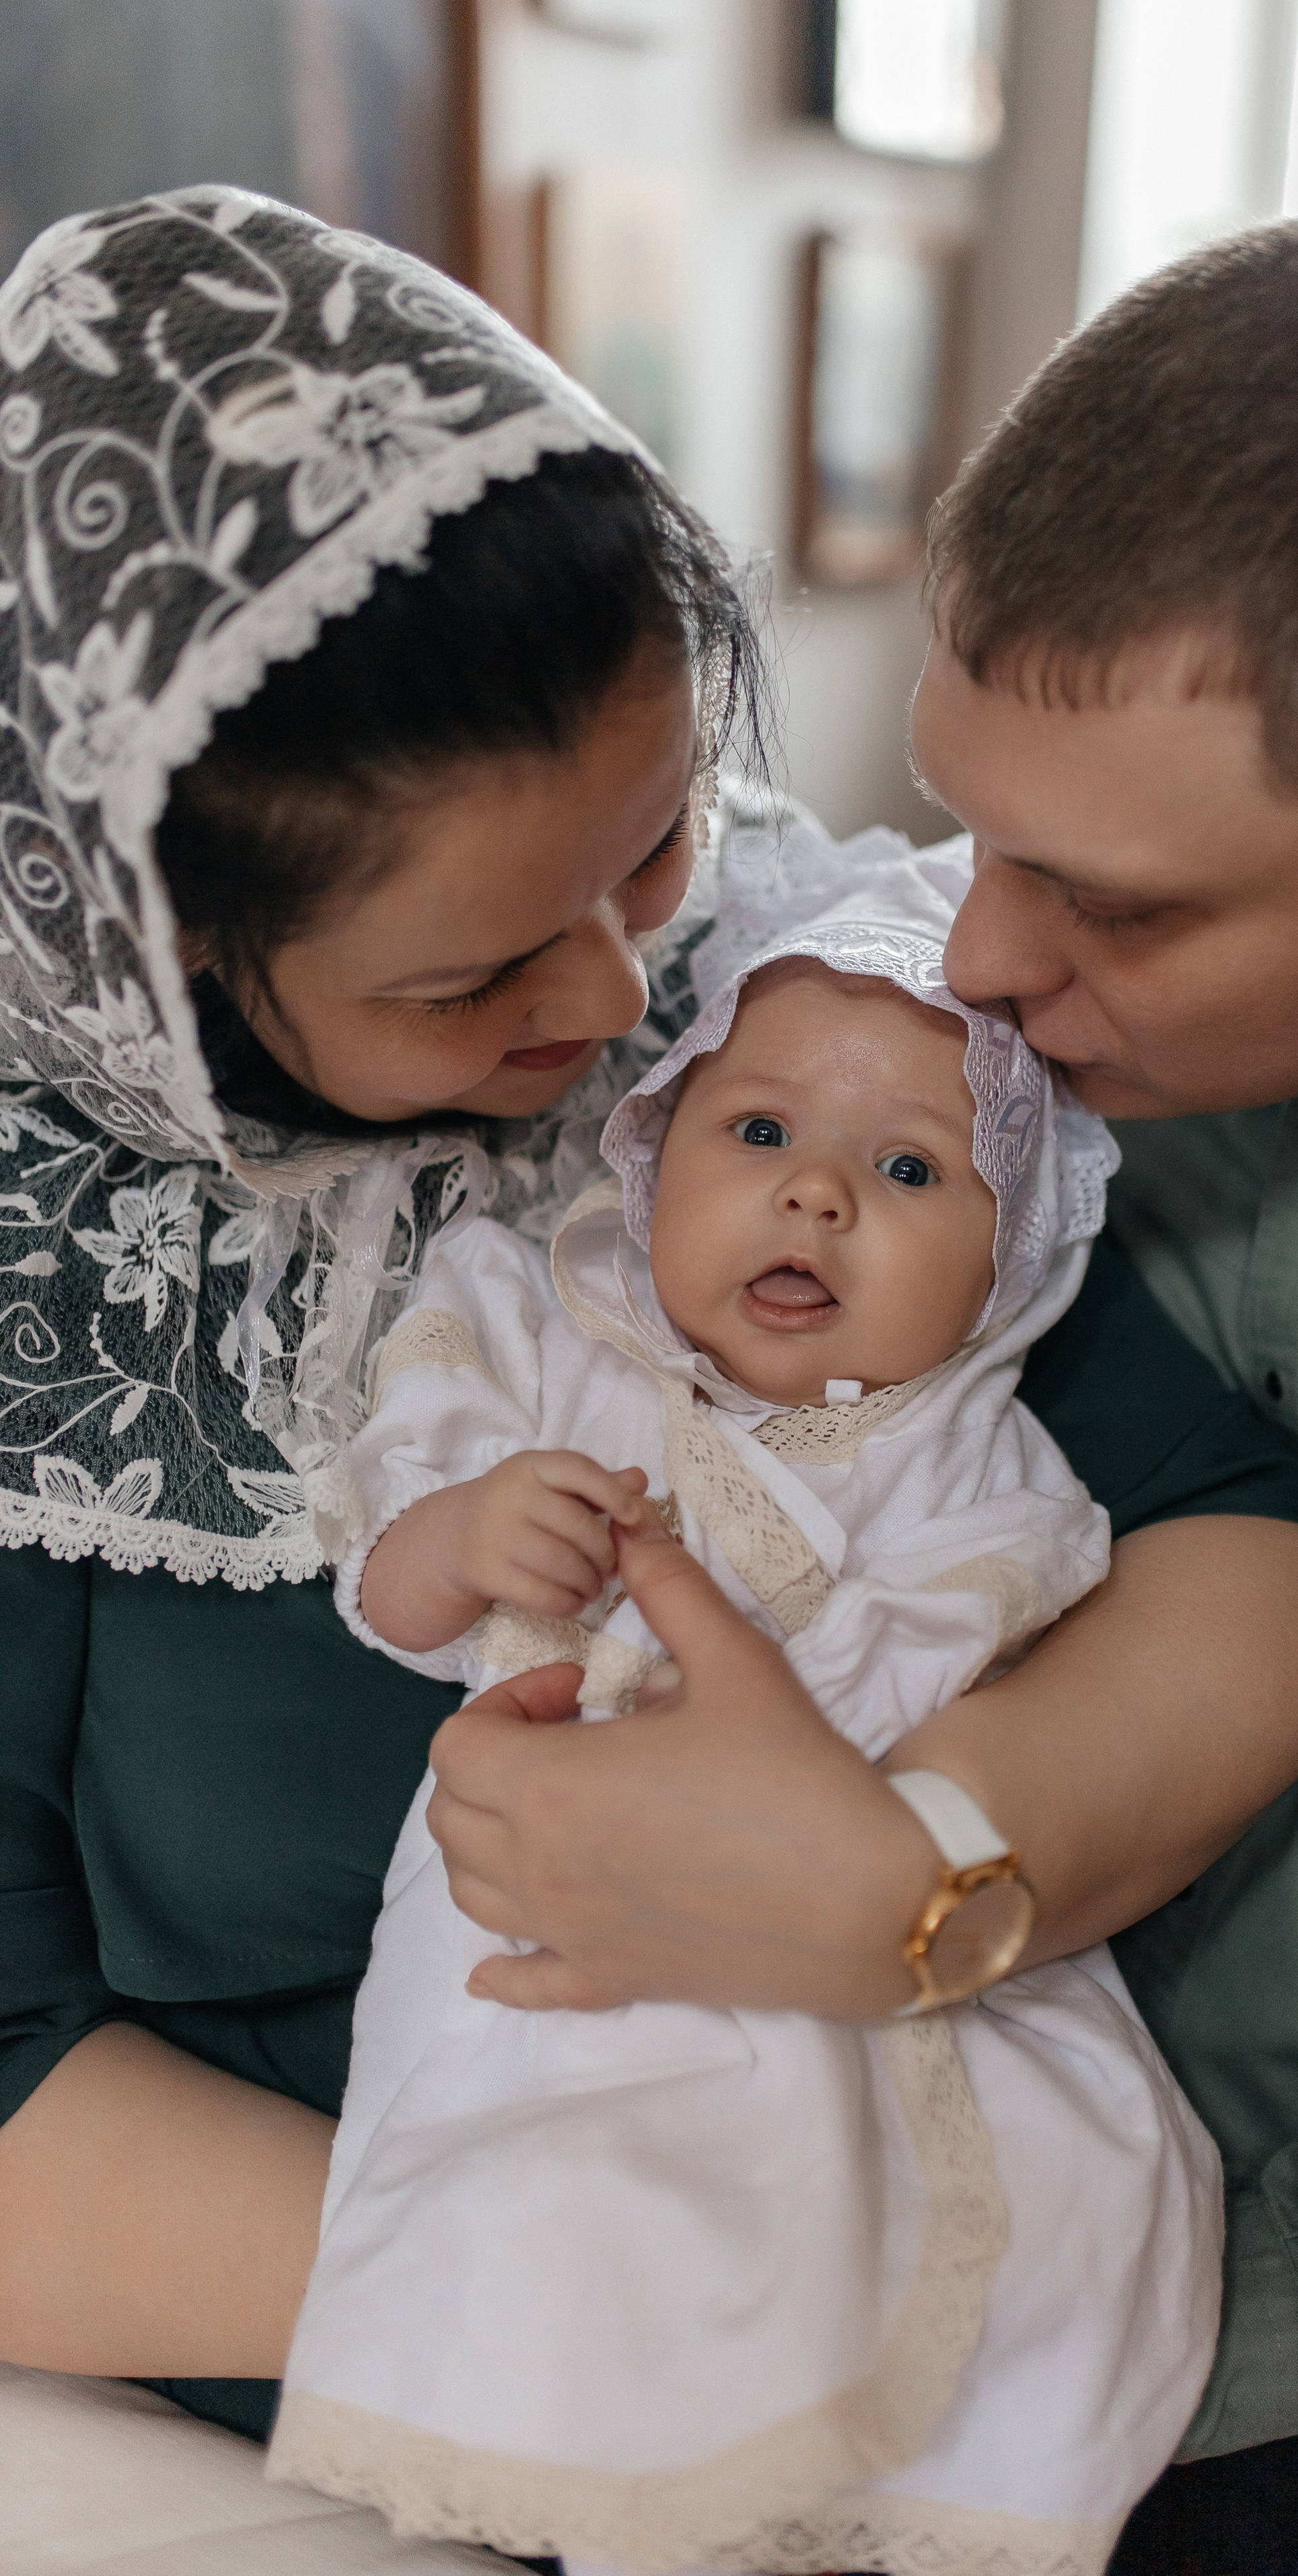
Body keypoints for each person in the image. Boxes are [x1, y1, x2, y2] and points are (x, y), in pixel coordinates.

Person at [0, 186, 1298, 2472]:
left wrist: (917, 1872)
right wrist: (638, 2318)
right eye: (471, 977)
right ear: (167, 975)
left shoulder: (786, 1022)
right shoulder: (53, 1290)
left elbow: (1245, 1547)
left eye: (652, 849)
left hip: (951, 2295)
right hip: (388, 2396)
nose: (624, 995)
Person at [417, 215, 1298, 2574]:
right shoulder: (928, 1016)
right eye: (970, 826)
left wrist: (1208, 2327)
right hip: (858, 2266)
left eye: (1109, 900)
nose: (983, 956)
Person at [271, 850, 1221, 2572]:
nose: (814, 1198)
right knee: (578, 2197)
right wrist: (464, 1536)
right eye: (759, 1132)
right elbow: (390, 1599)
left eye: (909, 1169)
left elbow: (975, 1654)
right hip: (541, 1878)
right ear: (649, 1158)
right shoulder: (547, 1337)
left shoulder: (972, 1451)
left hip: (827, 1874)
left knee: (1041, 2192)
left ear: (1004, 1268)